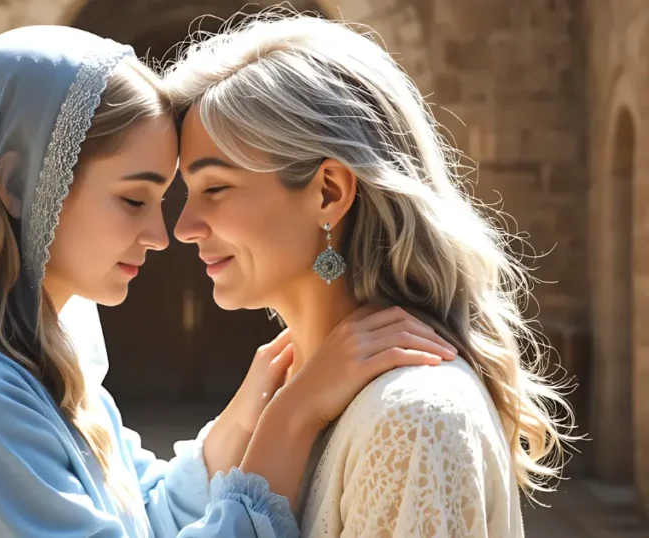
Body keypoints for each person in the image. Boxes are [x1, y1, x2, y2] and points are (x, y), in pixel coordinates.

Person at [0, 25, 455, 538]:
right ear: (17, 185)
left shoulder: (39, 368)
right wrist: (289, 420)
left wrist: (247, 413)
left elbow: (146, 516)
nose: (163, 235)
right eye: (135, 200)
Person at [164, 13, 577, 537]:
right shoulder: (283, 395)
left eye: (215, 189)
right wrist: (285, 418)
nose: (183, 227)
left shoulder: (414, 419)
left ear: (329, 192)